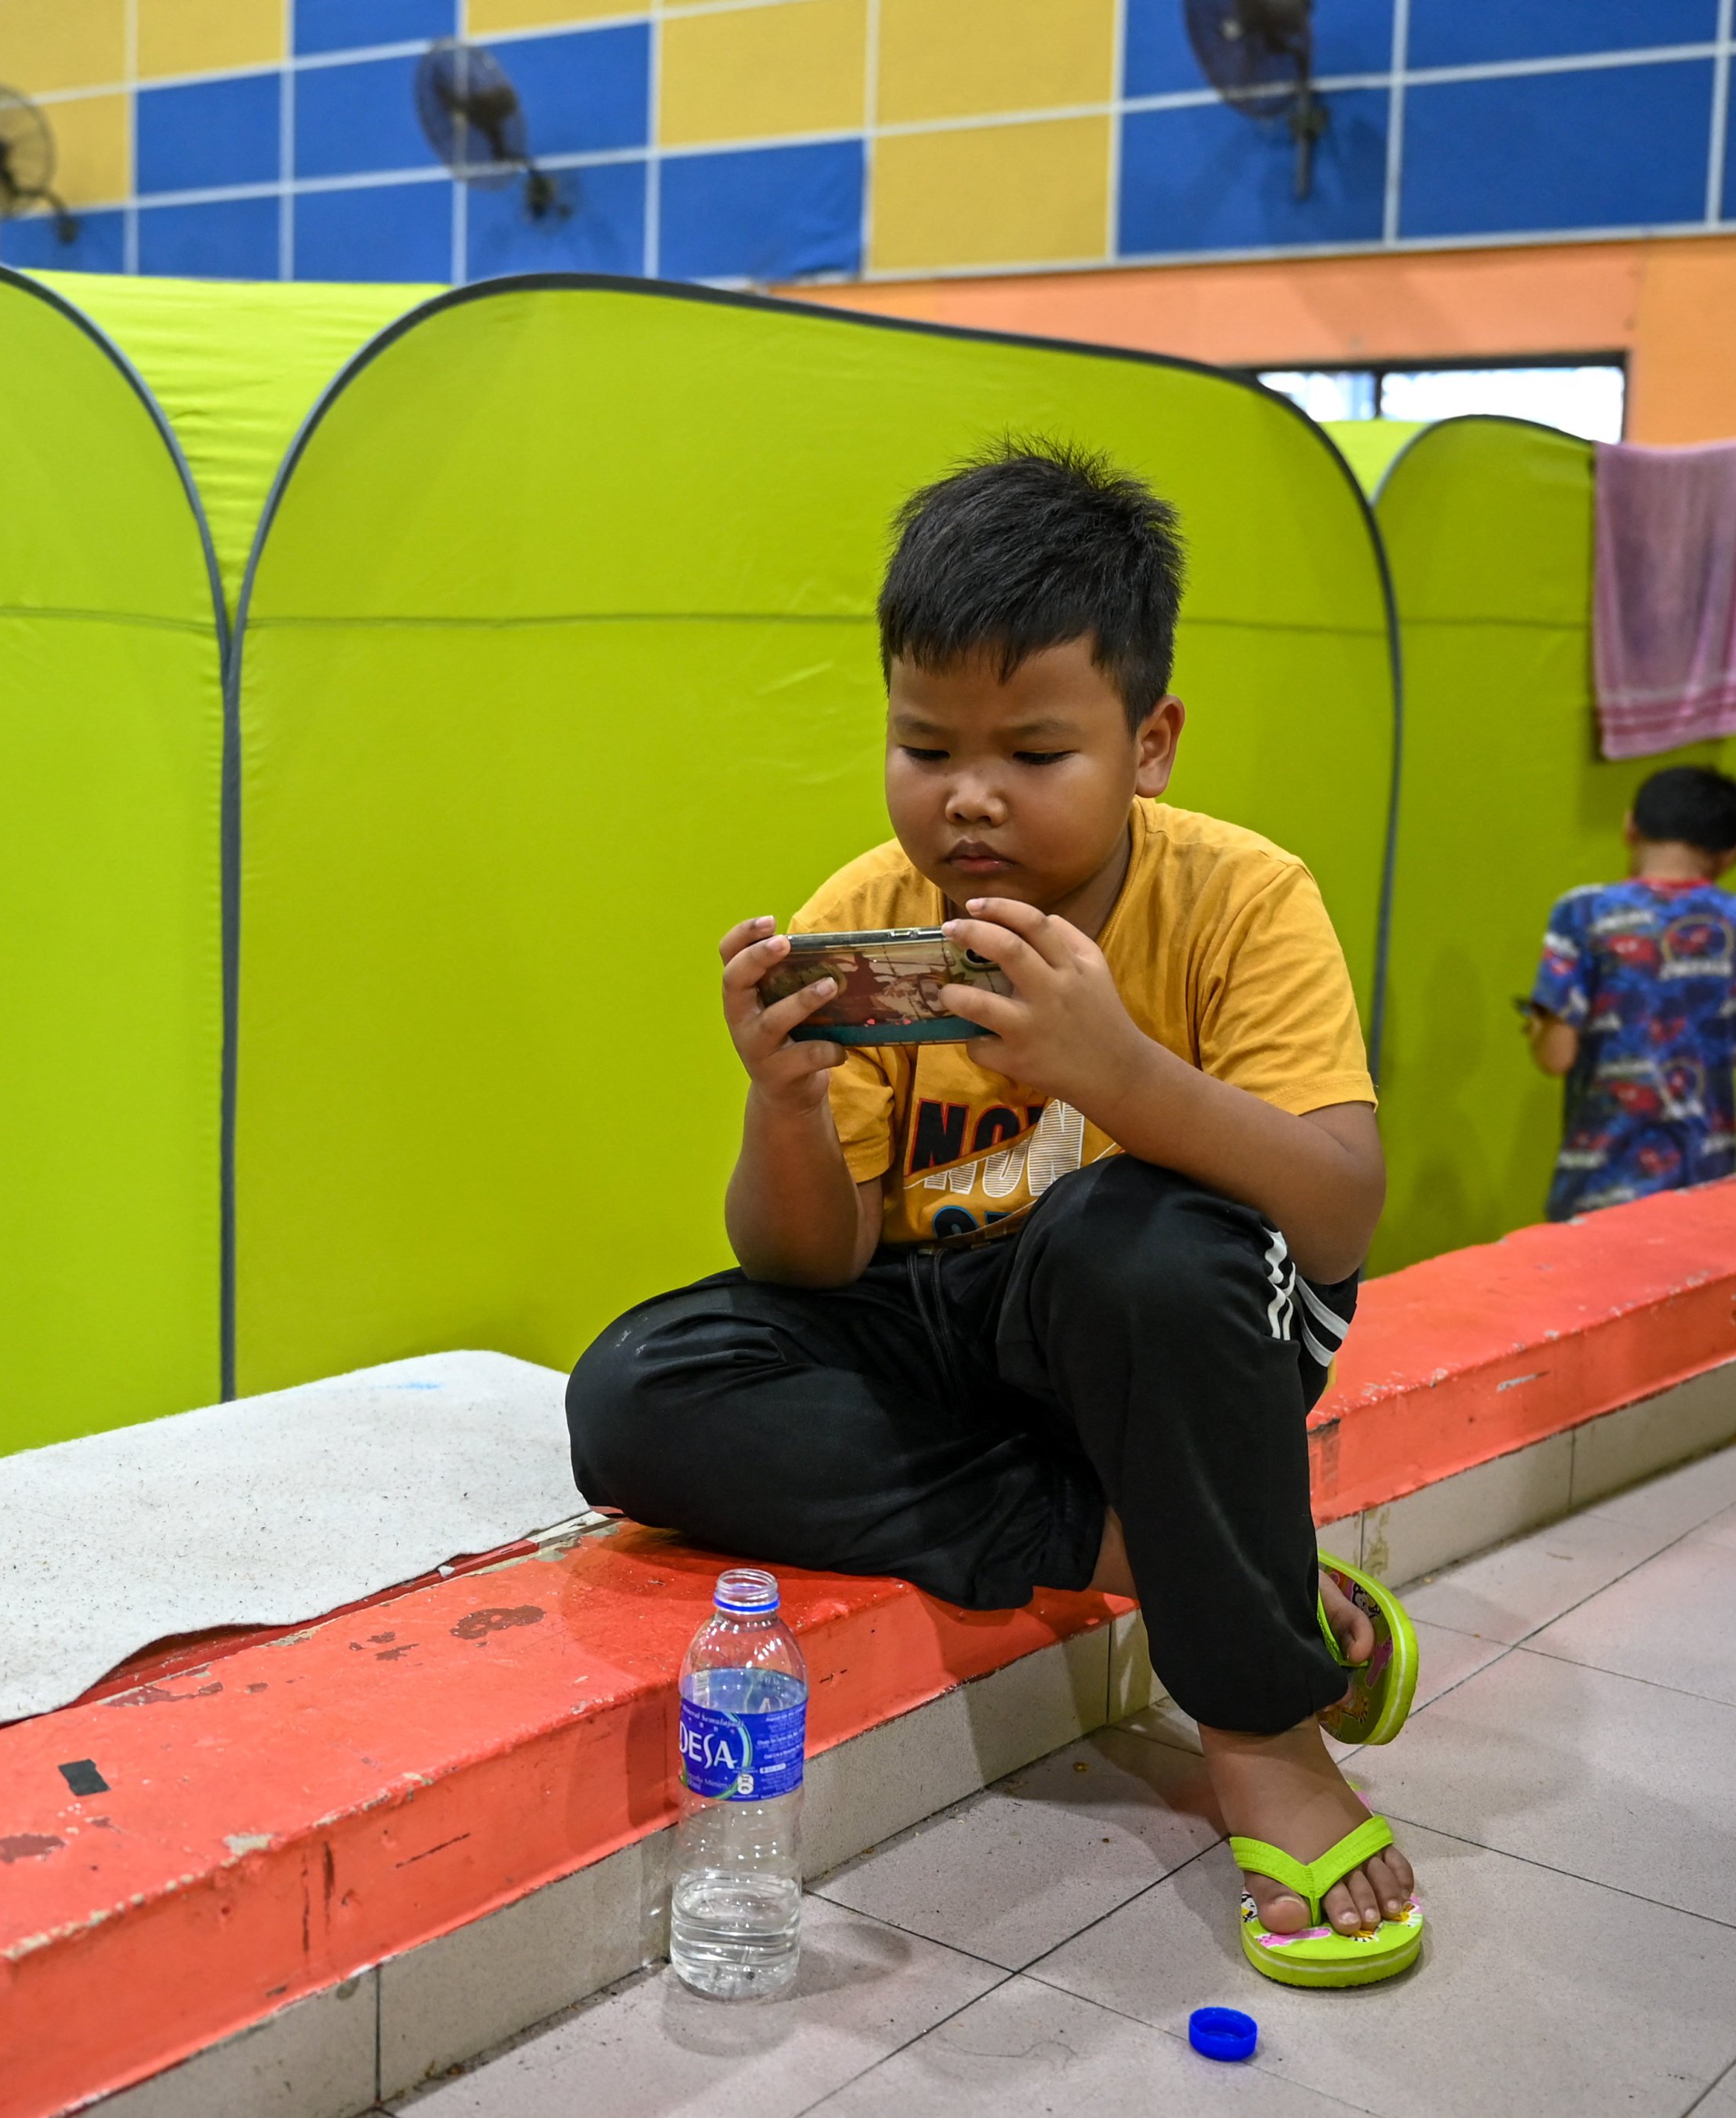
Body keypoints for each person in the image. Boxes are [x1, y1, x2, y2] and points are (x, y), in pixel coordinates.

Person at [568, 441, 1424, 1988]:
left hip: (1178, 1324)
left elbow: (1339, 1208)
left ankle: (1265, 1732)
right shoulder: (866, 913)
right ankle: (1176, 1553)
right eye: (922, 746)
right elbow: (811, 1267)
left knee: (1130, 1232)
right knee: (639, 1394)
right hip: (952, 1319)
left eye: (1032, 753)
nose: (965, 796)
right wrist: (779, 1105)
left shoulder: (1237, 897)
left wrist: (1119, 1075)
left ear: (1147, 742)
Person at [1527, 765, 1736, 1220]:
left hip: (1601, 1182)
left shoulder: (1583, 911)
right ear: (1731, 853)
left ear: (1631, 826)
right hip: (1706, 1180)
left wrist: (1538, 1025)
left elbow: (1556, 1056)